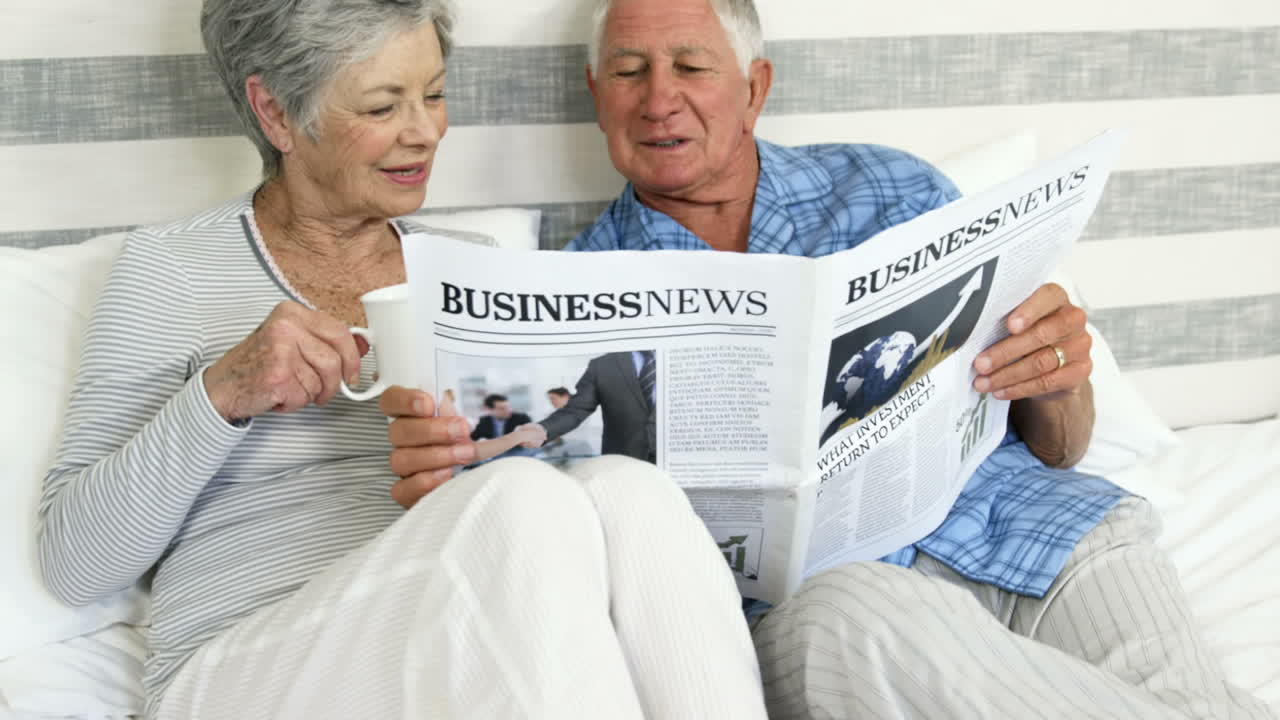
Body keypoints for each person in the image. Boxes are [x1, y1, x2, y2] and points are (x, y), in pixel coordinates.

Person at [388, 0, 1274, 718]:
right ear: (597, 93)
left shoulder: (891, 188)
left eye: (691, 67)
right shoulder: (569, 295)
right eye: (629, 72)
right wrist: (466, 469)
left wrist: (1061, 375)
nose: (659, 98)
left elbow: (1058, 446)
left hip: (1040, 531)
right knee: (854, 616)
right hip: (834, 607)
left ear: (755, 85)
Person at [35, 1, 766, 717]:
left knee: (629, 490)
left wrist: (461, 471)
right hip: (242, 665)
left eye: (435, 94)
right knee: (523, 499)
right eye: (384, 107)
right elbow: (76, 564)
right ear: (277, 113)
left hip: (450, 629)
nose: (425, 132)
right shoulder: (172, 269)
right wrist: (220, 395)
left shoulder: (473, 274)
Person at [527, 350, 657, 463]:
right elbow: (577, 409)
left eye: (553, 398)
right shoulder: (602, 365)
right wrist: (543, 429)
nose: (551, 402)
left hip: (673, 461)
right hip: (622, 462)